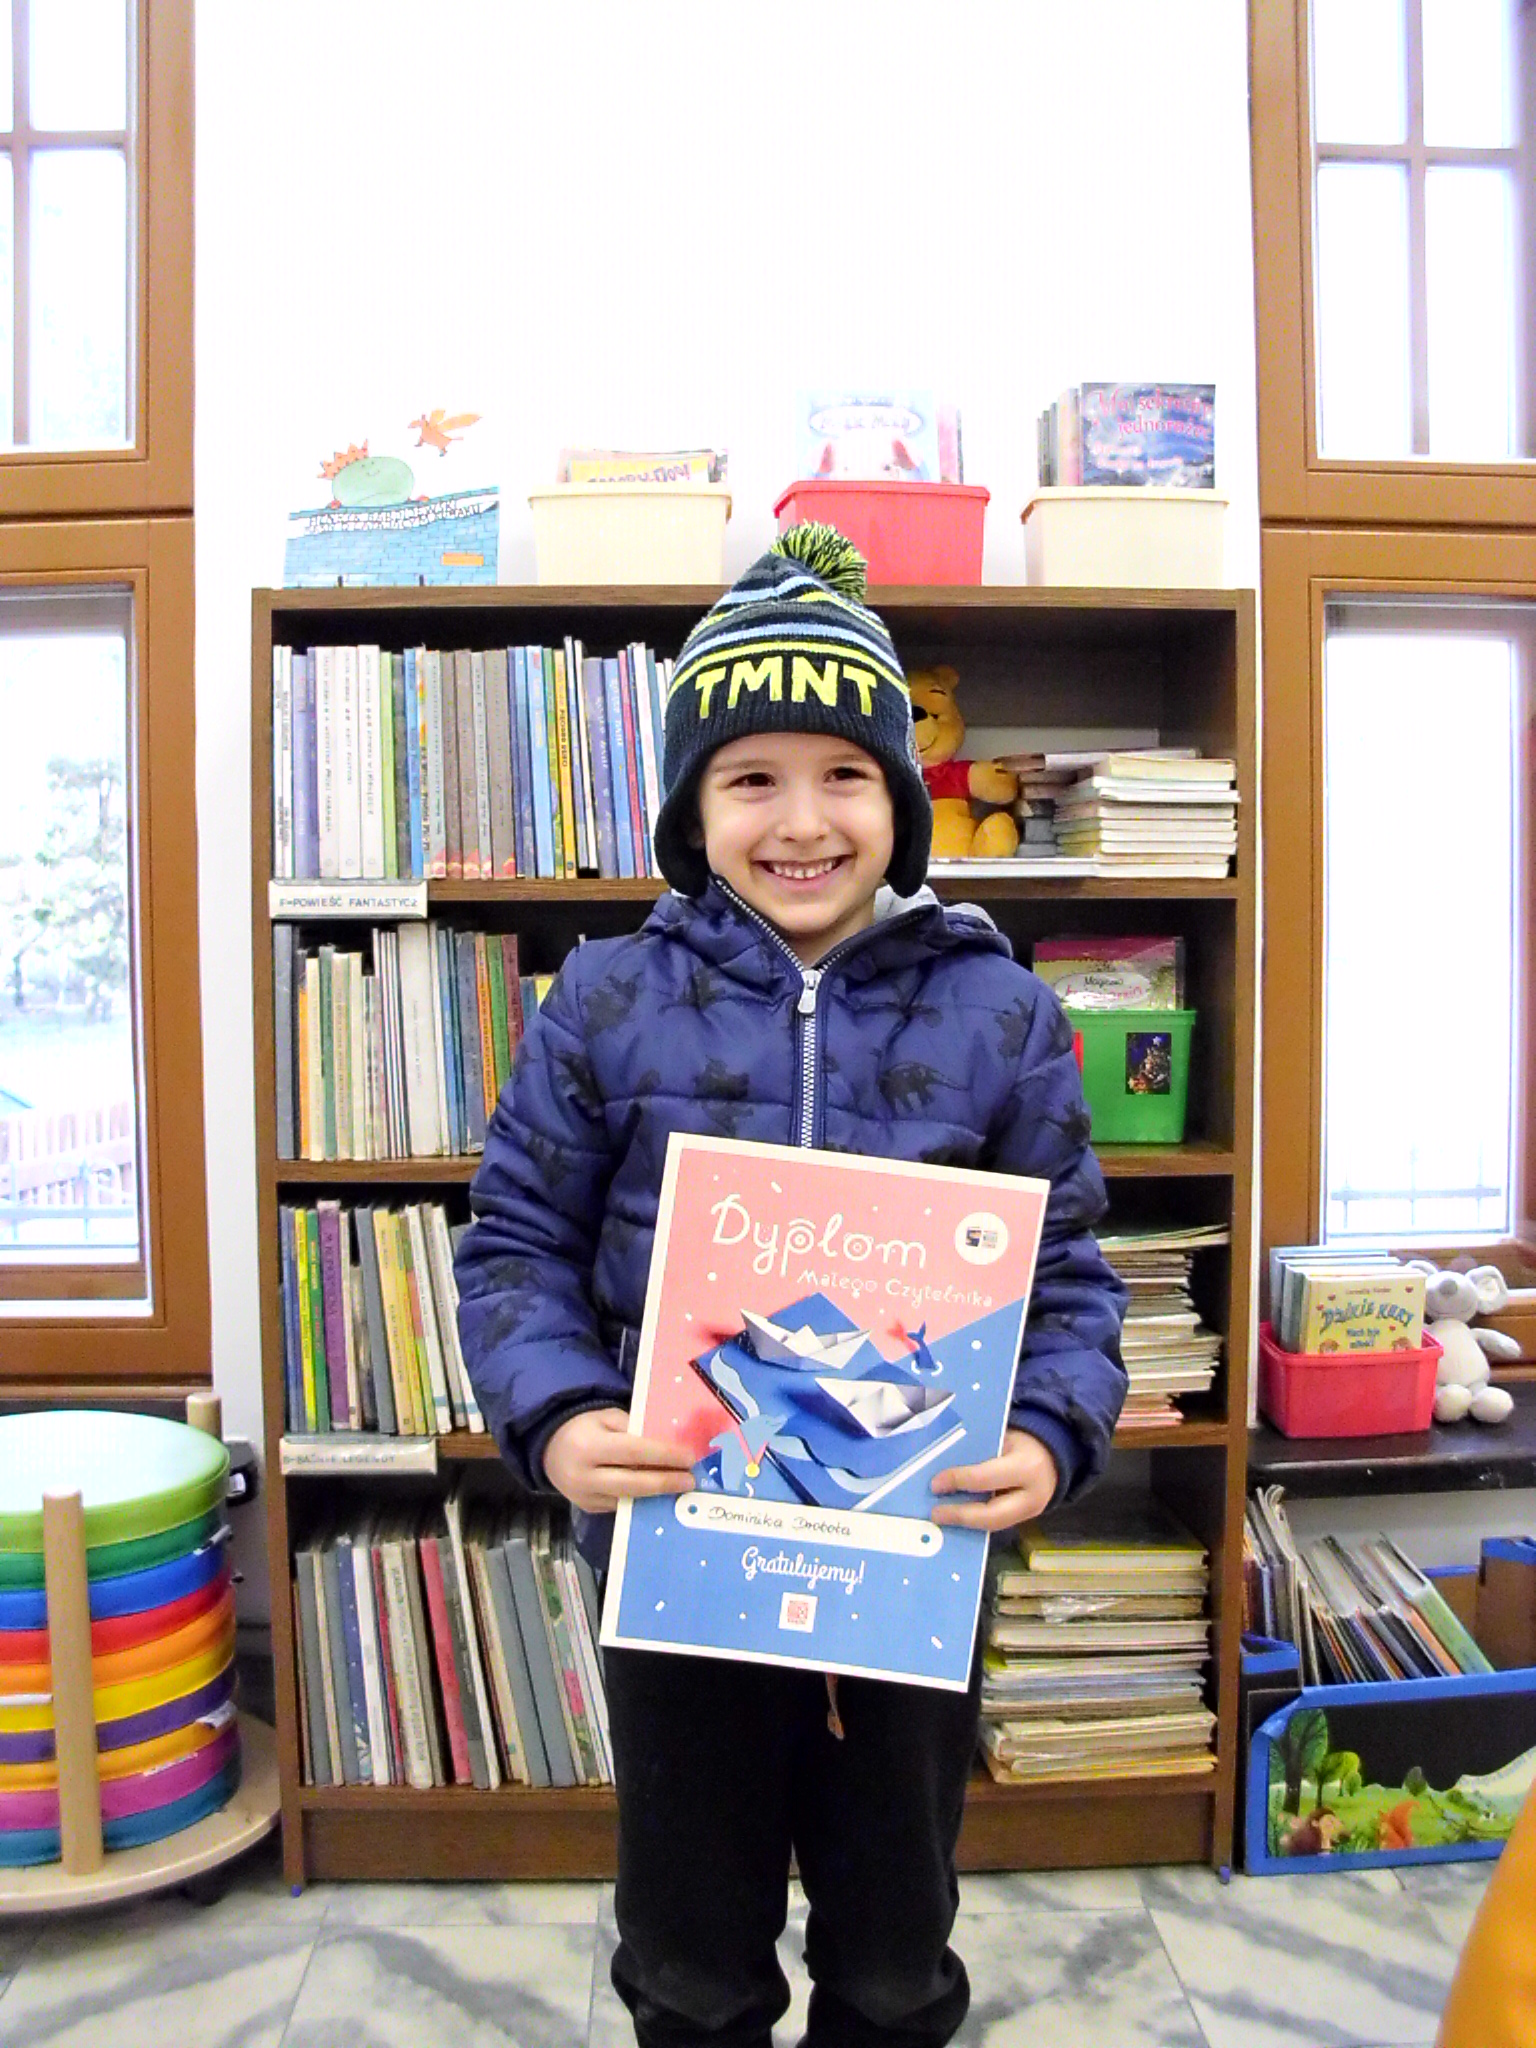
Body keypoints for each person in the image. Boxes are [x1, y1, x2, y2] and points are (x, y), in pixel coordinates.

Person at [455, 523, 1128, 2048]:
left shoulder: (1003, 1014)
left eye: (846, 775)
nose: (803, 821)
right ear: (692, 811)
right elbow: (515, 1246)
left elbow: (1070, 1279)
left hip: (911, 1570)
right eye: (751, 778)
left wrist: (1047, 1432)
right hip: (677, 1564)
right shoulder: (605, 1002)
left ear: (903, 800)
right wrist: (560, 1419)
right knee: (690, 1959)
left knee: (894, 1959)